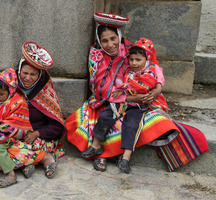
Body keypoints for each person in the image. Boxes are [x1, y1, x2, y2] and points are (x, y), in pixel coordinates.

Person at [66, 12, 208, 173]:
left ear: (119, 35)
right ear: (99, 41)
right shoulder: (96, 56)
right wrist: (130, 97)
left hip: (134, 103)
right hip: (105, 101)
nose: (110, 44)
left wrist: (156, 90)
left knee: (133, 123)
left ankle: (111, 156)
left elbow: (153, 69)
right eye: (104, 40)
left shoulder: (131, 53)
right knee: (94, 120)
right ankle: (102, 154)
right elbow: (100, 89)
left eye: (113, 38)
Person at [81, 38, 168, 173]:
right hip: (123, 102)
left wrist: (156, 90)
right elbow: (116, 88)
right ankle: (96, 145)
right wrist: (122, 92)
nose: (134, 63)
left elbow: (154, 82)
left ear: (147, 59)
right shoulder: (126, 70)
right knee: (105, 115)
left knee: (132, 124)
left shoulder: (152, 70)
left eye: (138, 60)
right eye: (132, 59)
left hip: (139, 105)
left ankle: (126, 157)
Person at [15, 41, 66, 178]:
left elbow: (57, 127)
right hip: (16, 134)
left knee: (26, 146)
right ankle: (37, 160)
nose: (27, 78)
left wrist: (36, 133)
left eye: (33, 74)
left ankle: (39, 160)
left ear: (39, 76)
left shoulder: (44, 92)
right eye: (24, 73)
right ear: (19, 70)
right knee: (1, 143)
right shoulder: (11, 88)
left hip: (39, 138)